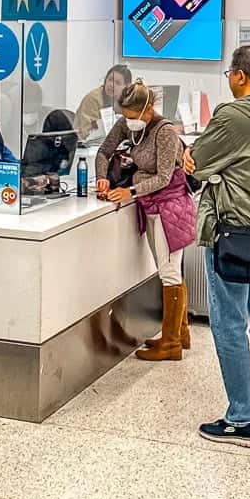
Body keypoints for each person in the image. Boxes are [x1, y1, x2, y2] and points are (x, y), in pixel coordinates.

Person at [184, 46, 250, 448]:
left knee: (229, 323)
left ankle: (242, 419)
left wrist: (190, 157)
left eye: (230, 72)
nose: (228, 78)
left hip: (230, 231)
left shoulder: (233, 116)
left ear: (241, 77)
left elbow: (197, 160)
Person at [96, 80, 196, 361]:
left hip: (170, 207)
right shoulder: (127, 124)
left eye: (132, 116)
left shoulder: (164, 132)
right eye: (125, 116)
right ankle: (180, 333)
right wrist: (102, 175)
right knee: (170, 269)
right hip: (151, 206)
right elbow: (104, 150)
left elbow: (164, 177)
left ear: (148, 109)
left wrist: (129, 191)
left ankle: (171, 343)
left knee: (169, 272)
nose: (128, 123)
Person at [74, 64, 132, 144]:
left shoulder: (127, 100)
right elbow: (87, 132)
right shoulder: (93, 98)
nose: (111, 85)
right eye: (110, 80)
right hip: (87, 146)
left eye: (117, 83)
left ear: (127, 87)